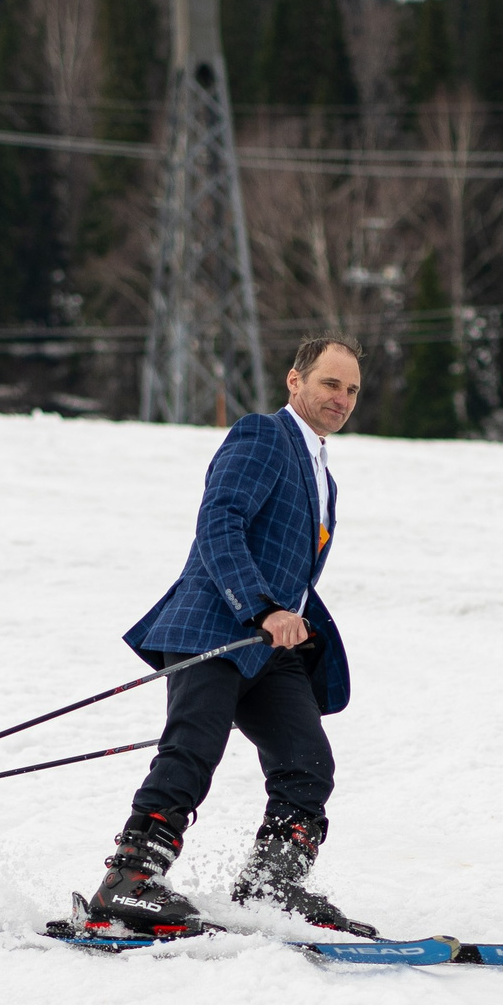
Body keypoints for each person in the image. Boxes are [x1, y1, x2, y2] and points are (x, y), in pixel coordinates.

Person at [81, 337, 376, 939]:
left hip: (272, 648)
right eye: (329, 384)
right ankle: (129, 881)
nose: (341, 399)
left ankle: (272, 890)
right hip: (216, 626)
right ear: (295, 381)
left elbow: (290, 563)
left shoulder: (325, 475)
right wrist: (262, 608)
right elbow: (220, 522)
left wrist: (294, 624)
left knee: (307, 762)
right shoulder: (263, 435)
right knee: (193, 750)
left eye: (351, 390)